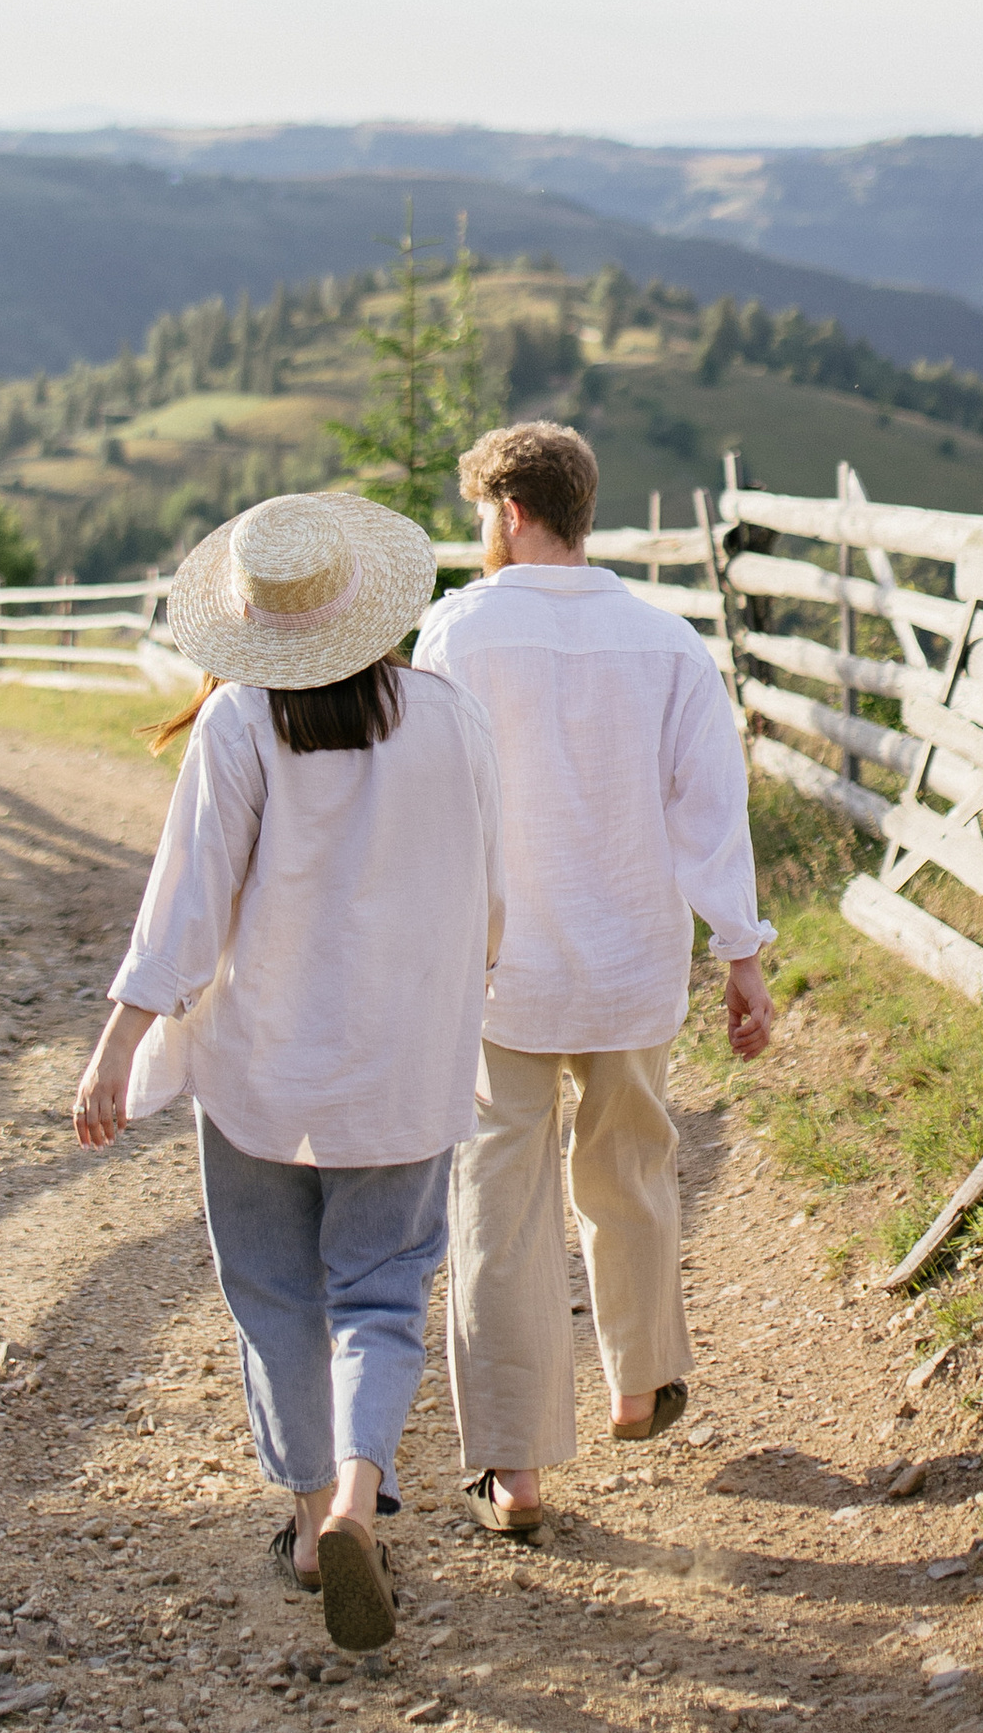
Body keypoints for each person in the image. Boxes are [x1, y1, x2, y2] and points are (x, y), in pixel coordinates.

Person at [72, 488, 503, 1651]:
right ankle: (363, 1499)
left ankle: (311, 1525)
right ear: (370, 610)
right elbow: (489, 900)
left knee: (276, 1294)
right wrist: (467, 1001)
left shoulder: (238, 726)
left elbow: (184, 911)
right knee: (381, 1290)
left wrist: (118, 1049)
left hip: (265, 1066)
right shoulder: (452, 719)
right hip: (403, 1062)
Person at [411, 417, 774, 1536]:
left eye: (484, 514)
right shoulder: (665, 642)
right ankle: (636, 1377)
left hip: (498, 971)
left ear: (510, 513)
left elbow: (430, 801)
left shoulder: (458, 635)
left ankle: (513, 1467)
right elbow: (710, 809)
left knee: (495, 1205)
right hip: (627, 962)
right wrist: (742, 958)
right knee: (631, 1165)